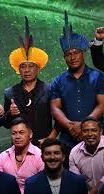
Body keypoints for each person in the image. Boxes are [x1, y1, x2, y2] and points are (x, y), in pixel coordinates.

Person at [50, 11, 104, 153]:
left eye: (76, 52)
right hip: (68, 140)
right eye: (68, 54)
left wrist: (85, 125)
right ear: (64, 57)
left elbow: (102, 103)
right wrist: (70, 126)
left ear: (83, 54)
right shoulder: (58, 80)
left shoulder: (98, 76)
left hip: (96, 138)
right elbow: (55, 108)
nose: (72, 57)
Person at [5, 16, 56, 146]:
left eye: (31, 66)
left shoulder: (50, 89)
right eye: (23, 66)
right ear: (18, 69)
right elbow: (5, 124)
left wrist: (50, 139)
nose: (27, 70)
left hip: (44, 144)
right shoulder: (9, 93)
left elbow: (59, 118)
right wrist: (10, 113)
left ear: (38, 68)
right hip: (19, 146)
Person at [0, 117, 44, 194]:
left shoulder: (40, 156)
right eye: (14, 133)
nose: (17, 137)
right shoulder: (3, 157)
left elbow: (44, 185)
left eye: (21, 132)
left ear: (30, 134)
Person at [69, 117, 104, 194]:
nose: (90, 134)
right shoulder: (74, 152)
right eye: (85, 131)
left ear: (101, 132)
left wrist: (93, 192)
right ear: (81, 133)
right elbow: (76, 180)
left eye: (94, 130)